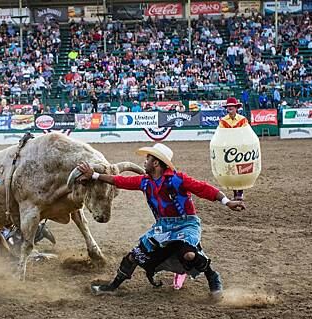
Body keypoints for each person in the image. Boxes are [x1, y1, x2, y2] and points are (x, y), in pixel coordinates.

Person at [76, 143, 245, 297]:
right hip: (163, 227)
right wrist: (95, 176)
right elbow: (119, 181)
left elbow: (204, 189)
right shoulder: (145, 182)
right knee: (134, 256)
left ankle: (212, 276)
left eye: (148, 159)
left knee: (188, 254)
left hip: (186, 224)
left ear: (156, 163)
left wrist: (227, 201)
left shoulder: (178, 179)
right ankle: (112, 287)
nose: (145, 161)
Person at [218, 97, 249, 201]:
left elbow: (246, 133)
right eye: (228, 106)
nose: (230, 107)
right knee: (231, 170)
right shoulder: (223, 121)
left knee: (240, 170)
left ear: (236, 108)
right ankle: (235, 192)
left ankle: (240, 192)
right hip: (228, 148)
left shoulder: (243, 119)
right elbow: (221, 135)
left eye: (232, 106)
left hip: (240, 148)